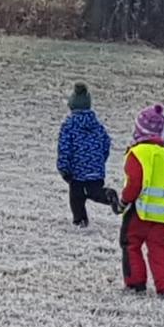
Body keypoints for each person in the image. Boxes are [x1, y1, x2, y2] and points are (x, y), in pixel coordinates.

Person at [120, 105, 164, 300]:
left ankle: (135, 282)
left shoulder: (137, 153)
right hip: (162, 213)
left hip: (140, 210)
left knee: (131, 243)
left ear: (139, 129)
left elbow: (134, 183)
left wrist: (123, 201)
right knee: (158, 247)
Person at [56, 83, 123, 226]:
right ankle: (107, 195)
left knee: (76, 197)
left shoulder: (69, 126)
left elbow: (64, 148)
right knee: (94, 191)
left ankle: (80, 220)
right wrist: (99, 161)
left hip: (77, 171)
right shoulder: (97, 125)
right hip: (96, 168)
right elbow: (106, 143)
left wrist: (64, 168)